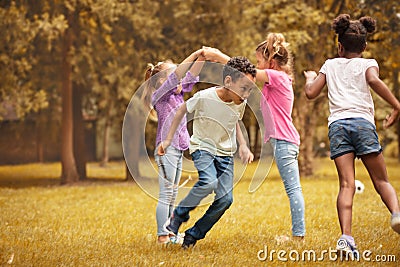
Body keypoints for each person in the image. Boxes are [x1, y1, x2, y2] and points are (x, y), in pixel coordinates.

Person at [303, 14, 400, 257]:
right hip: (363, 125)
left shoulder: (329, 64)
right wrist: (396, 105)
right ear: (365, 47)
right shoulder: (369, 64)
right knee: (382, 181)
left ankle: (346, 238)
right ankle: (397, 214)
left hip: (338, 126)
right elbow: (373, 81)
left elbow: (310, 93)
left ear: (340, 46)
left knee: (346, 184)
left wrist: (310, 77)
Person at [203, 33, 306, 241]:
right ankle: (298, 234)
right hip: (283, 140)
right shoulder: (276, 80)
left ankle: (298, 236)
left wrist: (218, 55)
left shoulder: (277, 77)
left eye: (259, 61)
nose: (257, 65)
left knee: (293, 188)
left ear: (271, 62)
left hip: (284, 141)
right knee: (292, 188)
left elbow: (246, 72)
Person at [159, 56, 256, 249]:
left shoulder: (240, 103)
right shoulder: (205, 97)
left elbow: (234, 120)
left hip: (226, 154)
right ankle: (177, 216)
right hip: (203, 147)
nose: (246, 95)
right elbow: (181, 111)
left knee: (226, 200)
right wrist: (168, 139)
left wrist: (243, 145)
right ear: (228, 81)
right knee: (208, 181)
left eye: (250, 90)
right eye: (243, 88)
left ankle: (193, 235)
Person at [143, 48, 205, 244]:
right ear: (163, 80)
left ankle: (170, 234)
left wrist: (202, 58)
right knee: (166, 193)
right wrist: (194, 54)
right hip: (165, 149)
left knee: (173, 193)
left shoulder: (178, 96)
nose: (179, 78)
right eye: (174, 74)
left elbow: (191, 76)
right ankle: (162, 236)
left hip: (177, 148)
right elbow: (178, 75)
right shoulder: (160, 95)